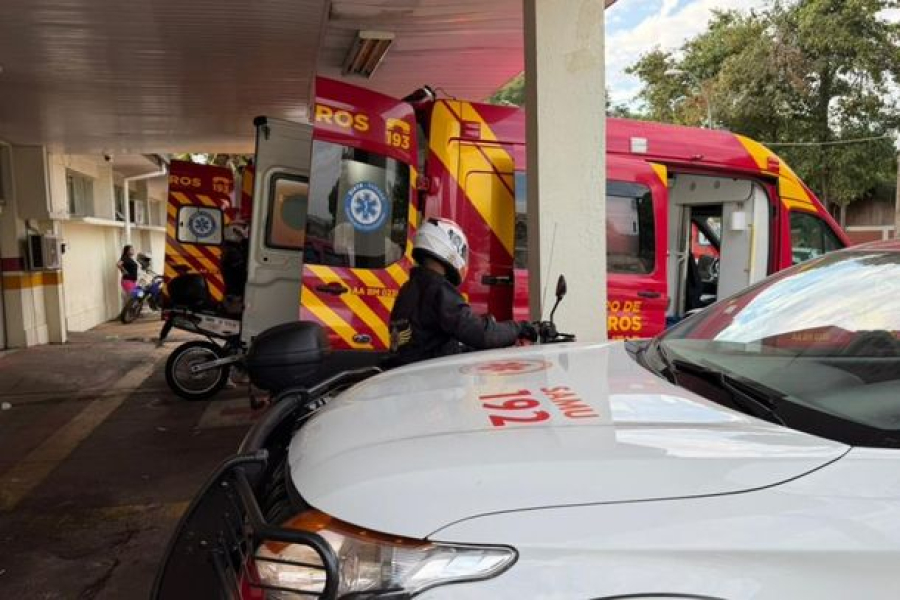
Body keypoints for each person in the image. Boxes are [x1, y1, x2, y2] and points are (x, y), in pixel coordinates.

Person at [387, 217, 537, 368]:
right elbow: (480, 334)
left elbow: (430, 343)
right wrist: (521, 328)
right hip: (432, 381)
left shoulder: (409, 288)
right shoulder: (438, 289)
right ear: (452, 245)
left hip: (413, 374)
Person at [220, 218, 249, 316]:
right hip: (235, 300)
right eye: (243, 228)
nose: (246, 231)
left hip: (233, 297)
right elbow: (245, 269)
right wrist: (245, 240)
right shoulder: (233, 253)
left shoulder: (230, 250)